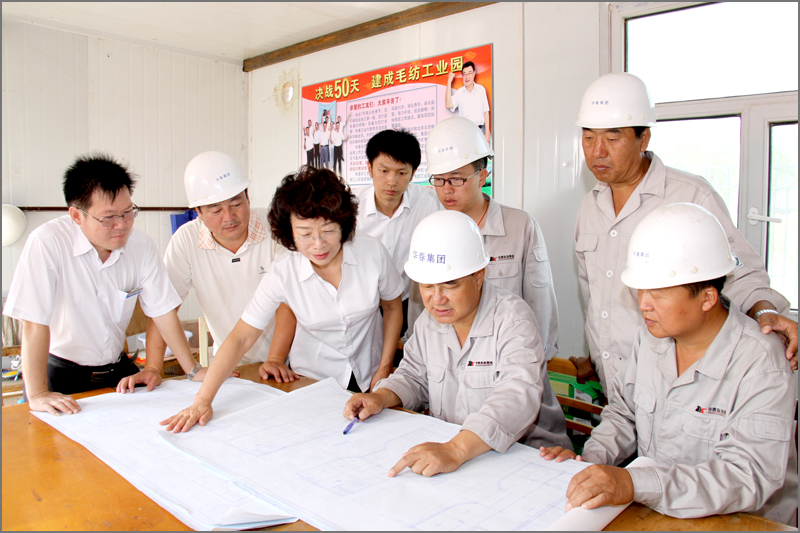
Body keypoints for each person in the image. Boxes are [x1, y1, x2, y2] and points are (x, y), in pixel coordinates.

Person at [542, 203, 797, 526]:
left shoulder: (761, 361)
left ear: (707, 298)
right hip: (660, 512)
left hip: (743, 522)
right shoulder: (651, 337)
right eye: (640, 290)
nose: (643, 305)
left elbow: (748, 475)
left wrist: (635, 483)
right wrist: (588, 466)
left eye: (658, 294)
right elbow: (624, 414)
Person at [571, 72, 798, 393]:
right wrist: (597, 357)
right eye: (589, 138)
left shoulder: (691, 196)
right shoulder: (589, 207)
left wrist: (766, 311)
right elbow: (594, 296)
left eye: (613, 138)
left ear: (644, 139)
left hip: (679, 386)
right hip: (615, 386)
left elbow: (741, 276)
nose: (597, 152)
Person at [161, 166, 404, 432]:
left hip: (371, 374)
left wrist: (384, 368)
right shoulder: (283, 270)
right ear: (290, 233)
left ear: (343, 224)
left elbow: (392, 307)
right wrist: (202, 401)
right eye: (305, 234)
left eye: (328, 230)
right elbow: (241, 337)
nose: (318, 244)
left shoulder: (371, 252)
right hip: (311, 380)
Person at [344, 210, 571, 477]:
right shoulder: (429, 322)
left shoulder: (513, 321)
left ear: (478, 277)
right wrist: (380, 397)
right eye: (427, 286)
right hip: (455, 453)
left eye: (450, 285)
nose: (437, 299)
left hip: (528, 458)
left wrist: (456, 449)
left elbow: (515, 399)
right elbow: (413, 377)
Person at [2, 153, 205, 416]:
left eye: (128, 212)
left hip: (117, 372)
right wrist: (38, 394)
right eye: (108, 218)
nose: (122, 225)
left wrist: (192, 370)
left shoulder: (141, 246)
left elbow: (163, 312)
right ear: (77, 215)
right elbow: (33, 322)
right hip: (60, 375)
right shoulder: (48, 243)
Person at [144, 151, 297, 382]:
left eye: (236, 203)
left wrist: (276, 358)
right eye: (215, 210)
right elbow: (163, 307)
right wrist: (153, 369)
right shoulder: (186, 241)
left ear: (247, 196)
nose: (229, 217)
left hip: (287, 361)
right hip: (230, 365)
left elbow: (287, 302)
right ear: (198, 212)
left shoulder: (275, 226)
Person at [425, 116, 559, 360]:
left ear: (482, 176)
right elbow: (423, 314)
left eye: (456, 178)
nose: (447, 189)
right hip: (449, 362)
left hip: (509, 360)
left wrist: (535, 362)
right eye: (439, 179)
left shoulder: (520, 227)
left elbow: (540, 306)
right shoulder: (430, 231)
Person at [352, 129, 440, 347]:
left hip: (408, 302)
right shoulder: (349, 206)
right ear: (369, 168)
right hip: (360, 302)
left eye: (401, 173)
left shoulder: (430, 204)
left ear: (413, 172)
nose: (391, 181)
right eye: (384, 171)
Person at [445, 61, 491, 143]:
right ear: (462, 76)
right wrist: (449, 81)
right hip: (465, 134)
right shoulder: (460, 92)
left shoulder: (481, 89)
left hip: (479, 132)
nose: (467, 77)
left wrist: (487, 133)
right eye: (464, 74)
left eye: (469, 73)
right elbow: (448, 105)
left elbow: (486, 111)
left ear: (474, 73)